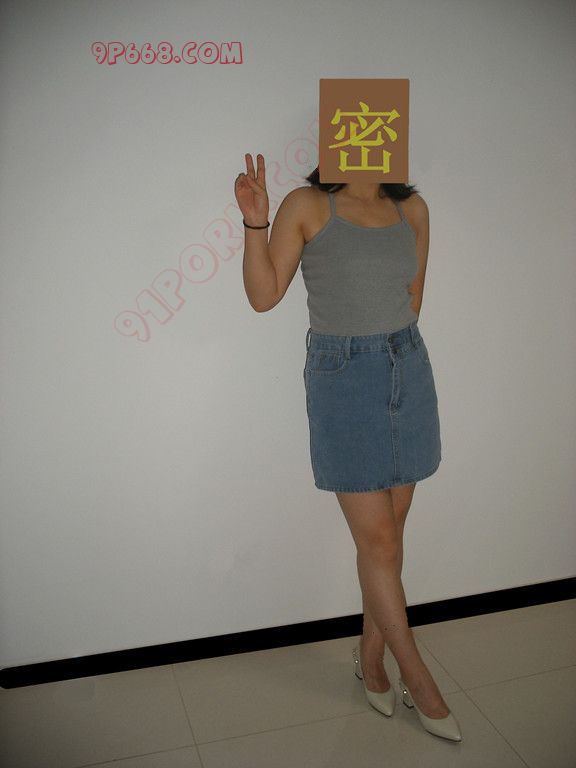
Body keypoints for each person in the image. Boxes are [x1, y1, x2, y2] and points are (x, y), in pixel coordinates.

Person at [234, 153, 462, 742]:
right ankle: (418, 676)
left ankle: (372, 655)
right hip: (343, 376)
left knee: (390, 537)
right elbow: (263, 296)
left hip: (407, 367)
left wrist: (392, 351)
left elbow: (413, 299)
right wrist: (255, 222)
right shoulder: (308, 205)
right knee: (379, 540)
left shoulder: (413, 209)